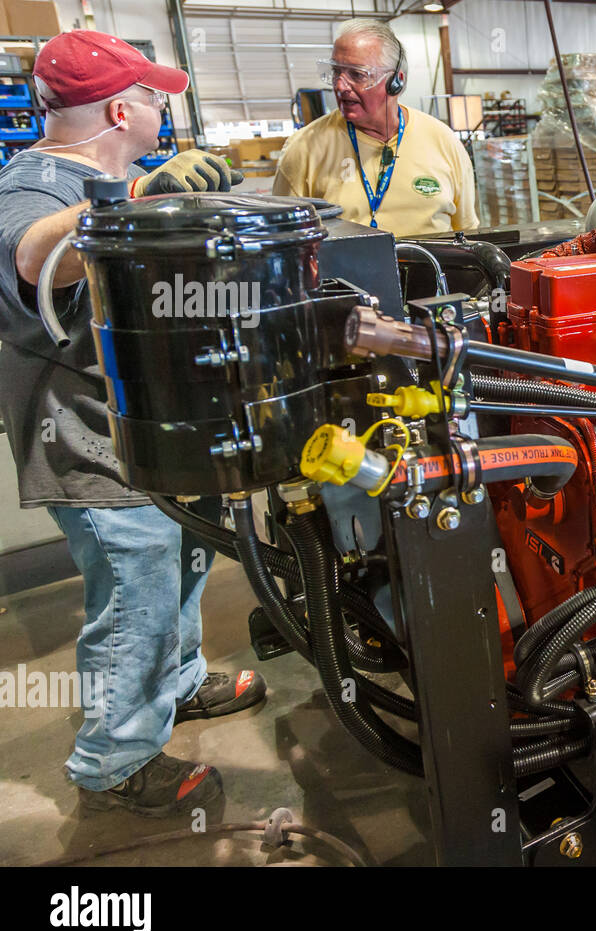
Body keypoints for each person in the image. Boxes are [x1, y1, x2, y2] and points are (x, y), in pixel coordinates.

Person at [0, 30, 267, 817]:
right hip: (85, 437)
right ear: (122, 108)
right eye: (153, 96)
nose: (161, 107)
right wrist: (141, 197)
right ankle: (114, 760)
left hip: (143, 434)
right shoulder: (34, 185)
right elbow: (28, 256)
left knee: (177, 560)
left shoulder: (96, 176)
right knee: (134, 595)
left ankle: (175, 686)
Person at [273, 18, 479, 237]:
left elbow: (466, 232)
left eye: (357, 74)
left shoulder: (443, 140)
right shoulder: (304, 148)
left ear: (395, 82)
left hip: (433, 269)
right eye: (336, 73)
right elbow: (284, 240)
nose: (340, 86)